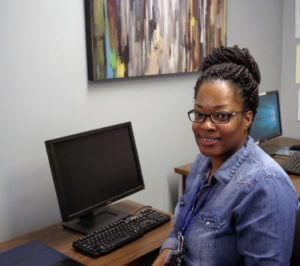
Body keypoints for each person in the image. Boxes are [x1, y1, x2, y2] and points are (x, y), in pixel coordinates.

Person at [153, 45, 298, 266]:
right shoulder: (203, 162)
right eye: (200, 113)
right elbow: (180, 226)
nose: (206, 125)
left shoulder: (266, 187)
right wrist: (167, 250)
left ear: (248, 118)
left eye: (221, 115)